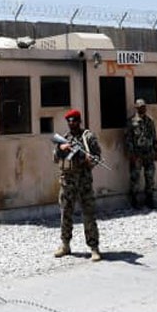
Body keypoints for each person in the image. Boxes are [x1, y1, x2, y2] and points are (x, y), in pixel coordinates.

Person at [54, 109, 102, 262]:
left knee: (88, 214)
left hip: (84, 183)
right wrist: (60, 150)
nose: (71, 123)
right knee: (65, 214)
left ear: (79, 121)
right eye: (69, 120)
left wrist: (86, 157)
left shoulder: (87, 137)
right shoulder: (64, 138)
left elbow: (97, 158)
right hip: (67, 183)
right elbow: (56, 159)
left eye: (74, 120)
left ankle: (94, 247)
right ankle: (65, 244)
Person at [123, 98, 157, 209]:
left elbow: (154, 137)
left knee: (150, 177)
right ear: (136, 108)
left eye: (144, 107)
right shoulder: (131, 122)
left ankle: (149, 199)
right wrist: (131, 153)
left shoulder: (150, 121)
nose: (142, 109)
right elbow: (127, 139)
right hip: (137, 154)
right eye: (140, 107)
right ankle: (134, 200)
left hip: (149, 153)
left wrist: (156, 151)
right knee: (135, 178)